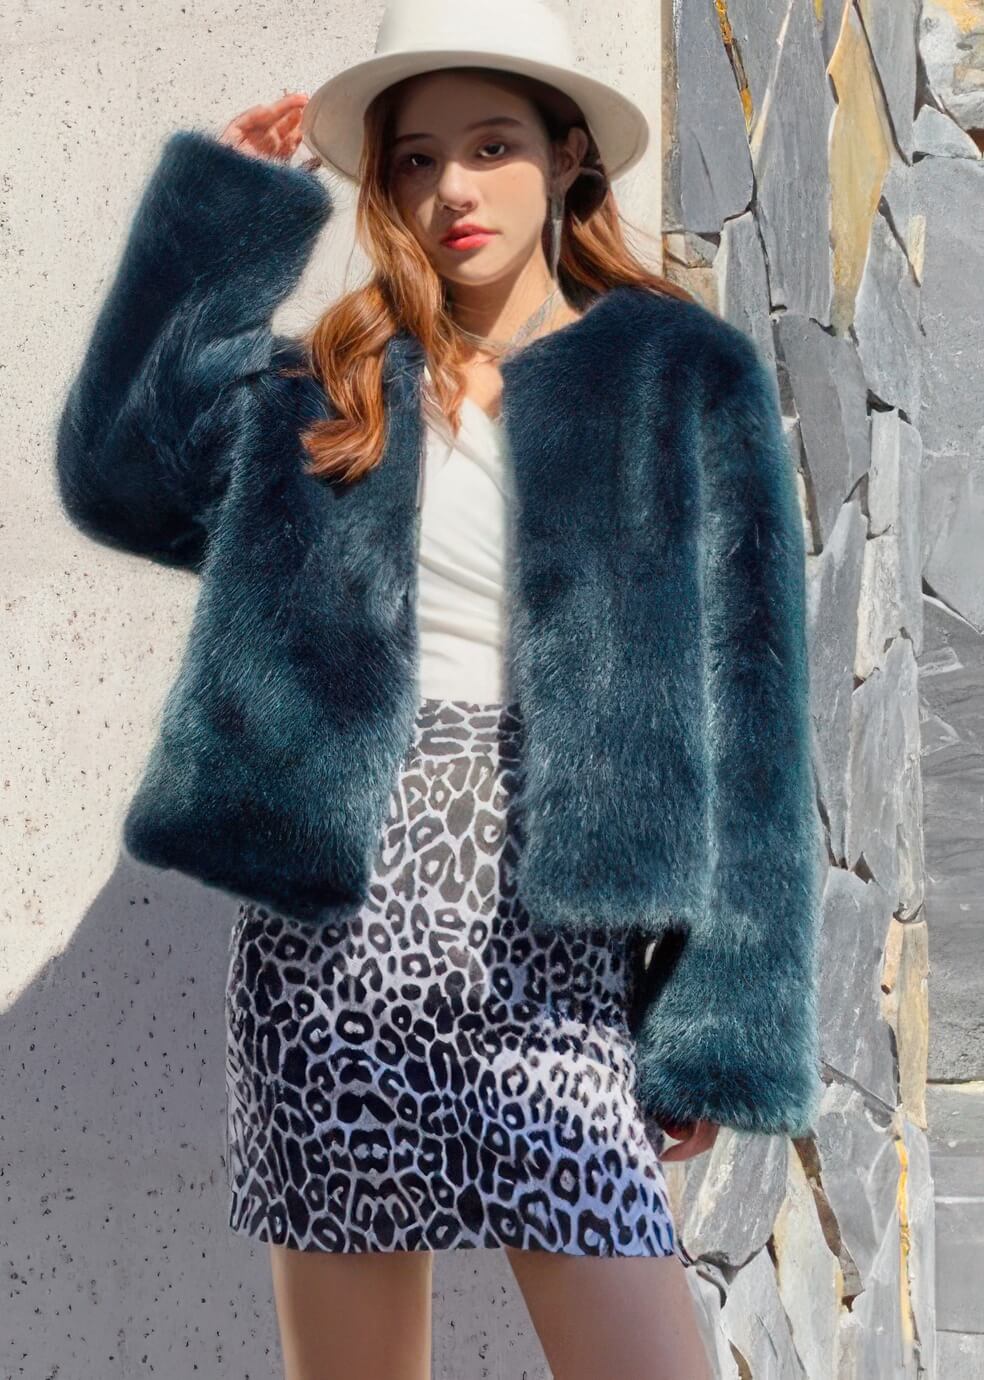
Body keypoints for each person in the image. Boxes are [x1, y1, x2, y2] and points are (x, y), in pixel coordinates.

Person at [55, 4, 822, 1378]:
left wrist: (716, 1012)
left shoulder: (678, 376)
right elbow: (119, 476)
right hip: (330, 953)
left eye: (490, 146)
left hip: (553, 945)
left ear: (568, 156)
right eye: (416, 160)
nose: (453, 190)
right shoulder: (334, 387)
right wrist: (230, 224)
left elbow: (753, 699)